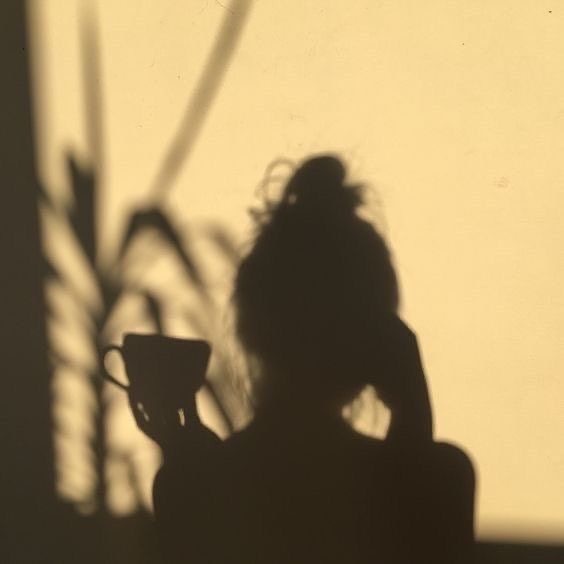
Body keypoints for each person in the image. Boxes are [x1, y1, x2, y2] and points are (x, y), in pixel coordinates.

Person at [131, 155, 475, 563]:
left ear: (249, 330)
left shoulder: (192, 485)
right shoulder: (440, 479)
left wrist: (193, 476)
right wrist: (414, 424)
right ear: (383, 339)